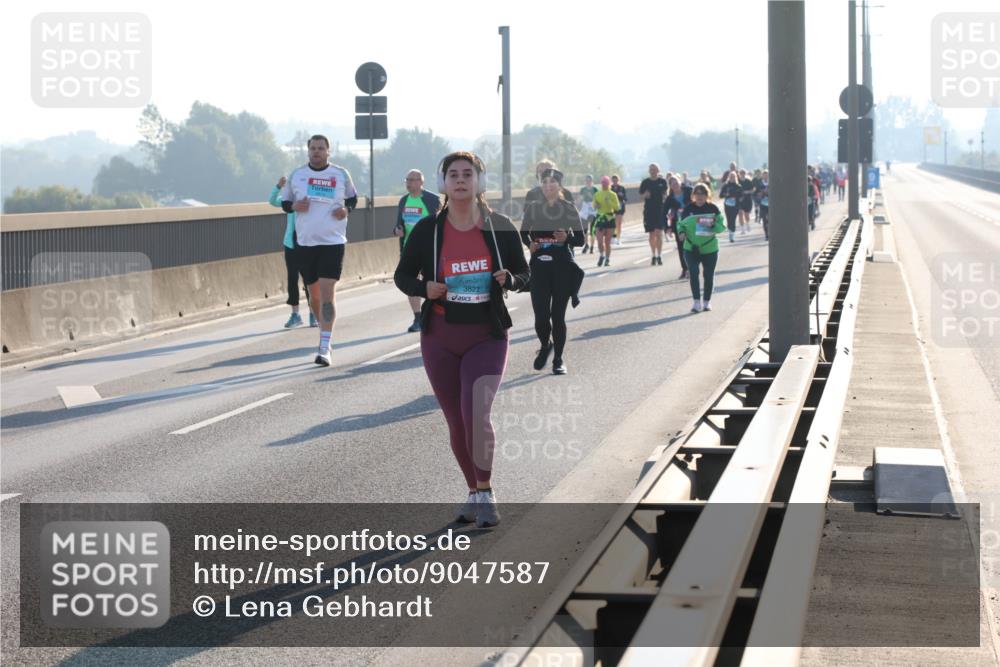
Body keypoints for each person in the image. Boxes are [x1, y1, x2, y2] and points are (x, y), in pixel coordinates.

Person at [394, 151, 529, 528]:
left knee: (476, 414)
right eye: (452, 175)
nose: (459, 181)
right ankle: (473, 492)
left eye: (467, 174)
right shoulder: (428, 231)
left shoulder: (499, 226)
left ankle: (486, 492)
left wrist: (511, 280)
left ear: (479, 182)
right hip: (440, 336)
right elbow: (402, 276)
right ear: (442, 183)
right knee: (456, 421)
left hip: (486, 335)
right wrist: (425, 287)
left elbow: (525, 273)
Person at [281, 134, 357, 366]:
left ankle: (324, 347)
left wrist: (346, 210)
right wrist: (294, 205)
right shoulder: (297, 175)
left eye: (321, 148)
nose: (316, 152)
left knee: (326, 293)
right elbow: (285, 203)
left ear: (328, 151)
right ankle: (324, 335)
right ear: (308, 151)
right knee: (314, 296)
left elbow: (352, 199)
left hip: (332, 243)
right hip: (305, 244)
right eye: (313, 148)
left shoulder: (340, 174)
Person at [521, 167, 585, 375]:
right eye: (544, 182)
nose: (548, 186)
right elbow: (522, 233)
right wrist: (530, 244)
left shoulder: (568, 208)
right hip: (539, 267)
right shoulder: (533, 208)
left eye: (552, 182)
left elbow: (581, 240)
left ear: (560, 185)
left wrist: (566, 239)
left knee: (558, 317)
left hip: (562, 268)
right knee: (541, 317)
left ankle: (558, 359)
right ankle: (545, 344)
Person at [394, 169, 441, 333]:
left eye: (413, 179)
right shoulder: (403, 201)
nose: (409, 182)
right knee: (410, 281)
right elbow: (398, 224)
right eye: (407, 179)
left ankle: (433, 314)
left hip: (430, 248)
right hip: (409, 249)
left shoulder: (432, 199)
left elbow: (441, 222)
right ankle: (417, 317)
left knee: (431, 282)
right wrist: (397, 230)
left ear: (421, 182)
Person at [270, 175, 316, 328]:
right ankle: (295, 314)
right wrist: (278, 186)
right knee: (292, 280)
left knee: (310, 280)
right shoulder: (289, 202)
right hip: (291, 244)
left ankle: (313, 314)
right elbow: (272, 201)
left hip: (307, 244)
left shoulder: (310, 199)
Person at [676, 183, 726, 313]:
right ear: (693, 195)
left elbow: (721, 227)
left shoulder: (713, 208)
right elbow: (680, 224)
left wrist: (714, 226)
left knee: (708, 275)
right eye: (697, 194)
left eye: (702, 193)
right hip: (691, 248)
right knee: (693, 273)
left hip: (709, 248)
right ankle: (696, 302)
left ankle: (707, 302)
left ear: (707, 195)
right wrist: (681, 232)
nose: (699, 196)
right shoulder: (688, 209)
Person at [663, 175, 692, 280]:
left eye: (676, 182)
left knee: (693, 246)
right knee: (682, 247)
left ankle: (692, 266)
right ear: (670, 186)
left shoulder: (689, 191)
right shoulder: (670, 199)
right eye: (672, 183)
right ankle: (685, 269)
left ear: (680, 182)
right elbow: (664, 213)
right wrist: (667, 227)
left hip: (692, 223)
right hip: (678, 225)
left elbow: (700, 200)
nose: (675, 185)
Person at [639, 163, 669, 265]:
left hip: (660, 210)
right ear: (649, 171)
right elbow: (641, 196)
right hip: (648, 211)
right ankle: (653, 255)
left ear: (658, 171)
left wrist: (665, 199)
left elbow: (665, 194)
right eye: (651, 169)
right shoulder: (645, 182)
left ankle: (659, 255)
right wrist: (645, 195)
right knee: (651, 235)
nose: (652, 171)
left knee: (659, 233)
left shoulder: (662, 182)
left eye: (654, 169)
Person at [593, 176, 620, 267]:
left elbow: (617, 207)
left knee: (607, 242)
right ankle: (601, 255)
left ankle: (607, 259)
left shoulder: (613, 194)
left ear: (609, 184)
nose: (604, 184)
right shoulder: (597, 194)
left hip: (609, 218)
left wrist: (609, 202)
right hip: (600, 218)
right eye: (602, 182)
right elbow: (594, 205)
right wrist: (596, 205)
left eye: (605, 183)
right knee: (600, 241)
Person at [719, 171, 742, 243]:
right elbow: (720, 196)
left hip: (735, 206)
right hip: (727, 205)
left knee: (733, 220)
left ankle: (731, 236)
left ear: (736, 177)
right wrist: (726, 194)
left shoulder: (738, 186)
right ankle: (730, 233)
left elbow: (741, 196)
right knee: (729, 220)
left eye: (733, 176)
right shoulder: (725, 185)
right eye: (731, 176)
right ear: (729, 177)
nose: (732, 178)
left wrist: (736, 197)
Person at [578, 175, 598, 254]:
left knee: (592, 229)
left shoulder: (595, 189)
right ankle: (586, 244)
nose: (588, 182)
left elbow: (597, 199)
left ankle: (592, 246)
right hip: (585, 209)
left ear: (592, 181)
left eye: (589, 180)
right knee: (585, 230)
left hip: (592, 210)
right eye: (586, 180)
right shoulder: (583, 189)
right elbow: (580, 199)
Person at [610, 174, 627, 246]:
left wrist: (622, 199)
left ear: (618, 180)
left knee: (619, 224)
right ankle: (613, 237)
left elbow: (625, 198)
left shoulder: (622, 188)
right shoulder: (610, 188)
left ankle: (618, 238)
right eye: (613, 180)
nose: (614, 181)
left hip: (620, 208)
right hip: (612, 208)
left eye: (616, 180)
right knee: (613, 224)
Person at [738, 168, 754, 235]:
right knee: (740, 213)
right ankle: (742, 229)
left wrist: (747, 192)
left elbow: (753, 190)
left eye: (743, 173)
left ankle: (747, 224)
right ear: (739, 174)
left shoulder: (748, 181)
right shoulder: (738, 181)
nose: (742, 174)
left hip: (747, 200)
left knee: (746, 214)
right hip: (739, 200)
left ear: (745, 174)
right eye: (741, 173)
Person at [756, 169, 770, 240]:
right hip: (763, 204)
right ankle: (766, 235)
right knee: (765, 220)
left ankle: (771, 232)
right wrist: (761, 194)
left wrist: (768, 192)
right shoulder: (759, 184)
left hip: (771, 205)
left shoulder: (772, 183)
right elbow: (756, 193)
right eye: (764, 175)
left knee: (770, 220)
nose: (765, 177)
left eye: (767, 175)